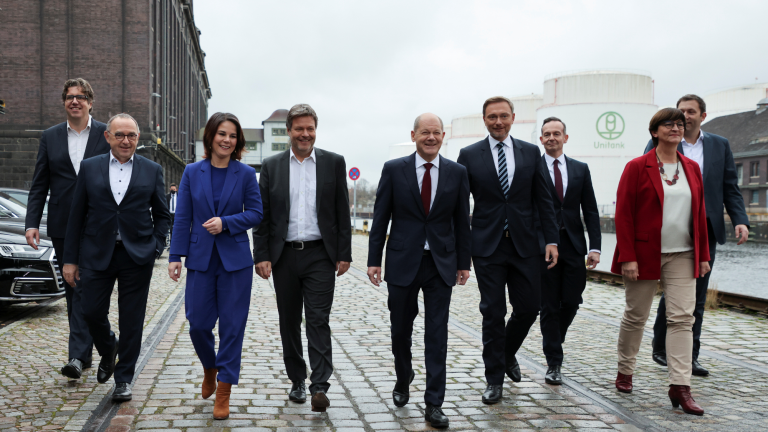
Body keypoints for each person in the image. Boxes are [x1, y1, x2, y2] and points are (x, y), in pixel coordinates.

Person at [367, 113, 471, 429]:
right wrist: (374, 259)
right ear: (413, 135)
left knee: (437, 335)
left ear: (443, 136)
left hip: (441, 263)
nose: (430, 137)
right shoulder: (394, 169)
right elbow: (381, 216)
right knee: (401, 328)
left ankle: (434, 403)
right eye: (424, 132)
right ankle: (403, 376)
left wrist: (463, 262)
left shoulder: (457, 172)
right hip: (402, 261)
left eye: (436, 132)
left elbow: (461, 221)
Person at [456, 96, 559, 404]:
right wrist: (460, 251)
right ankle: (494, 380)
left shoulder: (530, 152)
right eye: (492, 117)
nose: (498, 121)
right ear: (484, 119)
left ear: (513, 117)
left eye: (503, 116)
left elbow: (544, 200)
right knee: (493, 312)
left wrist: (551, 240)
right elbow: (460, 207)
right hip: (487, 246)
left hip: (525, 244)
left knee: (529, 307)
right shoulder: (469, 155)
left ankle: (505, 351)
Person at [63, 113, 170, 402]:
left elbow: (162, 215)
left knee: (132, 320)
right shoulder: (89, 168)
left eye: (131, 135)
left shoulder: (152, 170)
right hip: (96, 253)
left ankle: (123, 380)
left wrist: (156, 247)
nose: (126, 140)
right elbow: (76, 216)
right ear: (108, 137)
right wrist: (70, 260)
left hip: (137, 256)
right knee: (90, 311)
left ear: (138, 138)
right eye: (120, 135)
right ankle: (109, 347)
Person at [253, 104, 352, 413]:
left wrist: (344, 253)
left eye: (310, 128)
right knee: (289, 321)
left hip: (321, 254)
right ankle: (297, 379)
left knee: (318, 319)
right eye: (299, 128)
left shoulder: (333, 163)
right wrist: (263, 255)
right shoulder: (271, 166)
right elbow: (264, 215)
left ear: (315, 130)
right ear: (289, 131)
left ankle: (319, 385)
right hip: (284, 257)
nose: (305, 134)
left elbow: (341, 212)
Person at [612, 108, 710, 416]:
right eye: (668, 124)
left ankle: (680, 386)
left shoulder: (692, 168)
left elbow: (700, 216)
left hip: (683, 254)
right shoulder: (637, 167)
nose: (676, 128)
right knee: (636, 316)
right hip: (643, 255)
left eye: (680, 124)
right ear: (655, 131)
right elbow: (624, 215)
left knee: (682, 318)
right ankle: (625, 370)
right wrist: (627, 256)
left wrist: (703, 255)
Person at [643, 95, 750, 377]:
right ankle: (660, 346)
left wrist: (740, 220)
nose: (685, 116)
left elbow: (730, 186)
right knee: (674, 290)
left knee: (697, 296)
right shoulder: (661, 142)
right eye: (681, 112)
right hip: (670, 224)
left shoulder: (719, 145)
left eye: (691, 112)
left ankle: (690, 356)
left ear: (703, 115)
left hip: (705, 228)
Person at [168, 113, 263, 420]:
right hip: (200, 259)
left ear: (238, 142)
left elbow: (257, 214)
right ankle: (210, 366)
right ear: (210, 137)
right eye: (222, 134)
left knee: (233, 328)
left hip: (236, 263)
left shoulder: (246, 174)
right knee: (197, 323)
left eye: (233, 136)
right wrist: (174, 256)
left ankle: (224, 390)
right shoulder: (192, 172)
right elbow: (182, 216)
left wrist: (226, 223)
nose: (227, 140)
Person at [25, 78, 110, 380]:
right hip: (62, 225)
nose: (75, 101)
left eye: (81, 96)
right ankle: (79, 355)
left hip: (98, 224)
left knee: (91, 289)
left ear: (90, 101)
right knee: (74, 287)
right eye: (69, 97)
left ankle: (92, 348)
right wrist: (31, 223)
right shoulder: (50, 136)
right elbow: (40, 184)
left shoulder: (106, 133)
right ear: (63, 101)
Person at [535, 117, 601, 385]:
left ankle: (554, 339)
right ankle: (554, 361)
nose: (552, 138)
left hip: (574, 246)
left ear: (565, 137)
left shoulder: (580, 169)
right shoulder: (533, 168)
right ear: (541, 139)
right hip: (542, 247)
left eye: (556, 133)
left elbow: (591, 210)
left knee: (572, 301)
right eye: (547, 134)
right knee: (549, 305)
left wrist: (595, 246)